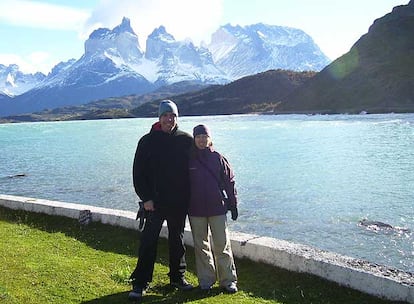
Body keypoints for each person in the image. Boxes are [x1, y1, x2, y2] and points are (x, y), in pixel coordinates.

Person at [128, 100, 194, 301]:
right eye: (165, 115)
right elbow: (138, 173)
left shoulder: (186, 140)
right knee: (148, 241)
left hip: (178, 202)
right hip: (154, 203)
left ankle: (177, 277)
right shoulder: (146, 141)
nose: (169, 119)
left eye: (172, 115)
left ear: (177, 117)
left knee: (177, 240)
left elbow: (197, 167)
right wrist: (145, 198)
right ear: (159, 118)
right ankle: (141, 282)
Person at [188, 124, 239, 293]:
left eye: (205, 136)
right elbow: (182, 184)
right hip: (195, 209)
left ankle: (228, 280)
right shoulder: (189, 159)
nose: (202, 139)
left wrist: (233, 204)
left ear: (210, 139)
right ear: (194, 138)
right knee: (200, 245)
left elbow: (230, 182)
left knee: (222, 244)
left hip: (217, 208)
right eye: (198, 136)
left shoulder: (218, 158)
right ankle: (206, 279)